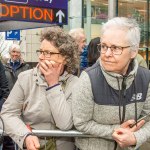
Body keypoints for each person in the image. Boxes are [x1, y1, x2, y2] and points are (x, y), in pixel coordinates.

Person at [72, 17, 150, 150]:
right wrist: (116, 131)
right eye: (104, 46)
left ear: (133, 51)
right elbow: (81, 123)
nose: (107, 53)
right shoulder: (87, 79)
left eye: (115, 48)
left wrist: (135, 138)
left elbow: (148, 119)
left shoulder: (145, 78)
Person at [1, 27, 79, 150]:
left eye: (48, 53)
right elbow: (8, 114)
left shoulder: (75, 83)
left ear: (65, 58)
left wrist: (53, 84)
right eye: (41, 52)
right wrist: (25, 136)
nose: (41, 57)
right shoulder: (25, 78)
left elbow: (65, 124)